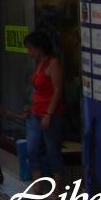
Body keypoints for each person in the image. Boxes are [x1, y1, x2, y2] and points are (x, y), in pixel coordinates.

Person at [24, 30, 65, 190]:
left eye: (30, 48)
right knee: (32, 148)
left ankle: (57, 188)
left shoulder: (53, 63)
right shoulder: (38, 64)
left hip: (50, 113)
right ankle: (37, 184)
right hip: (36, 111)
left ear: (39, 48)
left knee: (52, 150)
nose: (29, 52)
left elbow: (57, 90)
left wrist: (49, 114)